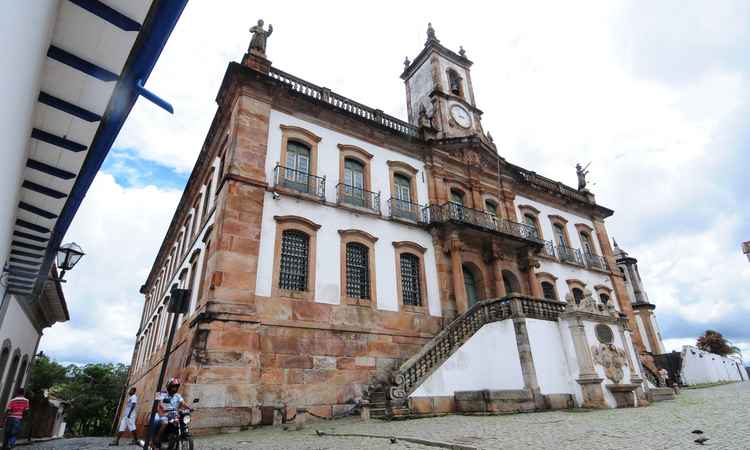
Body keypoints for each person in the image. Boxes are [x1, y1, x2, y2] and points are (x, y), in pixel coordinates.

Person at [152, 378, 191, 449]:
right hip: (165, 414)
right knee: (165, 423)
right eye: (173, 387)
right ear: (169, 387)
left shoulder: (177, 396)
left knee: (182, 422)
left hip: (174, 414)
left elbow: (183, 403)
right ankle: (157, 440)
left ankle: (176, 438)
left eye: (176, 387)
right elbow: (159, 404)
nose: (175, 388)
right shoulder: (162, 393)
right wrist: (162, 408)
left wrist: (189, 408)